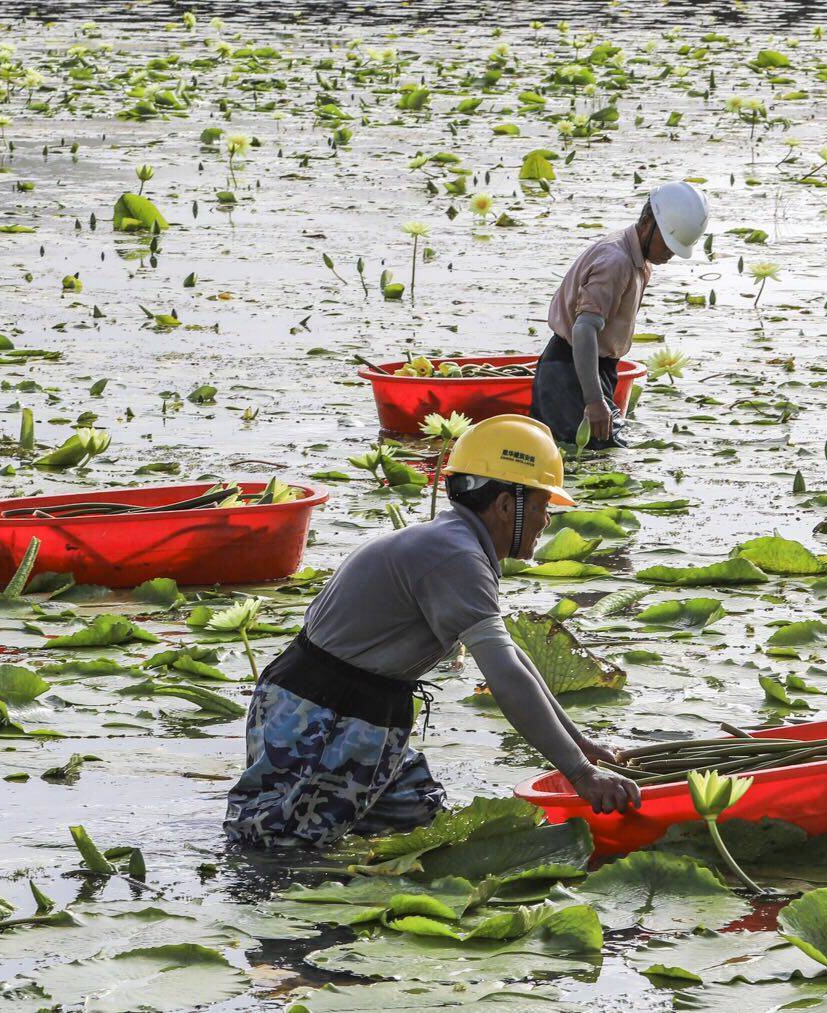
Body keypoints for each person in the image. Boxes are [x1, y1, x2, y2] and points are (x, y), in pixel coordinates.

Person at [225, 415, 640, 848]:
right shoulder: (454, 555)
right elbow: (504, 676)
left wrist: (582, 744)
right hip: (322, 717)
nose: (546, 521)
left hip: (369, 711)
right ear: (504, 506)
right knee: (276, 850)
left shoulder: (457, 544)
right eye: (542, 506)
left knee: (420, 825)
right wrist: (580, 774)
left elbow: (513, 657)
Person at [532, 181, 709, 448]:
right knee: (590, 457)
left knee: (602, 454)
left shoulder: (637, 260)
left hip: (593, 368)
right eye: (669, 243)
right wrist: (593, 400)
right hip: (569, 371)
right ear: (648, 223)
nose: (671, 253)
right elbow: (584, 329)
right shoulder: (616, 261)